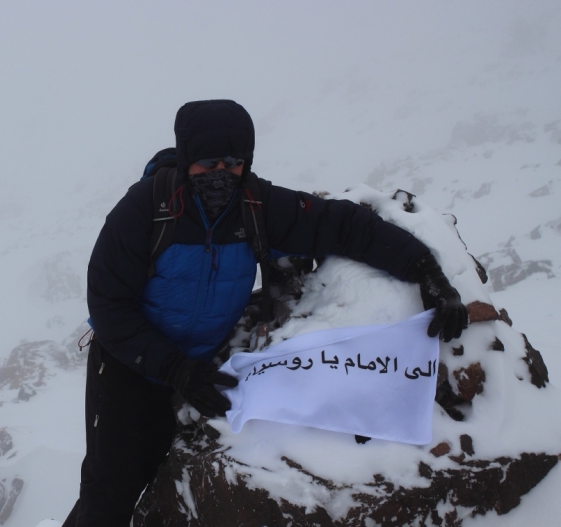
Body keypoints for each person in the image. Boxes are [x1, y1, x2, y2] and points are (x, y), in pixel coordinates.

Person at [62, 99, 467, 526]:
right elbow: (108, 306)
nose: (221, 173)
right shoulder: (146, 210)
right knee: (110, 487)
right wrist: (173, 369)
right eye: (207, 161)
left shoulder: (256, 206)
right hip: (130, 362)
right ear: (185, 161)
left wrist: (424, 269)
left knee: (153, 468)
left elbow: (343, 225)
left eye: (234, 161)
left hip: (199, 360)